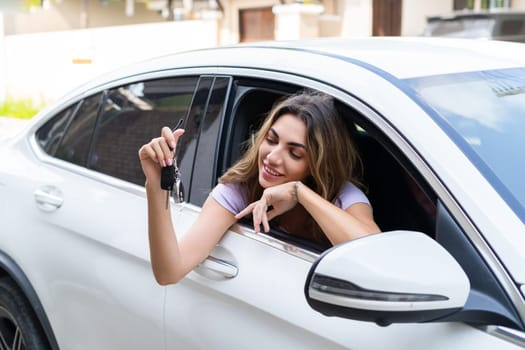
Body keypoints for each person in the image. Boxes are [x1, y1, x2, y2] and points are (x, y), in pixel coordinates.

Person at [138, 91, 380, 285]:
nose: (272, 157)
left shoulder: (342, 195)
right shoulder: (240, 189)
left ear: (318, 165)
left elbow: (377, 255)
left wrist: (300, 193)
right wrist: (156, 185)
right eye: (271, 140)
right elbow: (169, 271)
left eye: (295, 153)